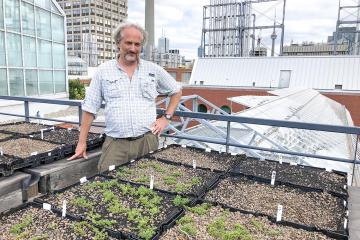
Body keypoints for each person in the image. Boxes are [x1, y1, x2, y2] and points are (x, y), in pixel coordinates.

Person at [68, 22, 182, 172]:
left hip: (147, 141)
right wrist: (81, 142)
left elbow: (176, 91)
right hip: (116, 144)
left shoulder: (153, 70)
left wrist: (166, 118)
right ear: (118, 43)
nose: (133, 48)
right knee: (108, 184)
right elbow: (90, 108)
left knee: (148, 184)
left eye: (137, 44)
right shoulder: (103, 71)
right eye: (128, 43)